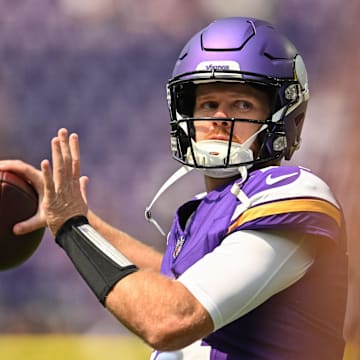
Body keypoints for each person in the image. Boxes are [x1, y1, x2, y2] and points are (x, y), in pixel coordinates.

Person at [0, 17, 348, 359]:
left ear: (288, 117)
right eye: (208, 104)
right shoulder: (204, 208)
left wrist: (72, 229)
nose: (218, 119)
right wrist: (75, 216)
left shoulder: (292, 192)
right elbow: (172, 282)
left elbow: (170, 318)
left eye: (242, 104)